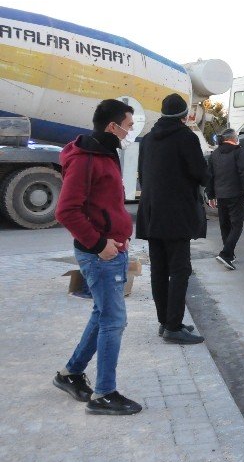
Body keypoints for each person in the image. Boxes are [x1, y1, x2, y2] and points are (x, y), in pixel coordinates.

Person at [53, 98, 143, 415]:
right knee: (114, 321)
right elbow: (66, 211)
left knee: (102, 315)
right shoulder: (86, 158)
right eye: (128, 127)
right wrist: (99, 244)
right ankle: (104, 394)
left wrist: (120, 237)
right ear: (112, 126)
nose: (130, 133)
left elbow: (107, 205)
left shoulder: (105, 154)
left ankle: (71, 374)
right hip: (100, 255)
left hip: (112, 250)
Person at [136, 93, 208, 344]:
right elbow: (200, 173)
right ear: (184, 115)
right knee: (180, 270)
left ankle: (165, 321)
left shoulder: (146, 140)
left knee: (159, 269)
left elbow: (142, 175)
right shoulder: (186, 138)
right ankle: (174, 326)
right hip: (176, 214)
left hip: (151, 212)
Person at [207, 128, 244, 270]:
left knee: (225, 225)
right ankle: (226, 254)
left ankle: (230, 255)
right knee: (237, 226)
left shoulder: (214, 154)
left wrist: (211, 195)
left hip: (221, 195)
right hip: (236, 194)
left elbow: (210, 176)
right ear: (234, 139)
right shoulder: (239, 152)